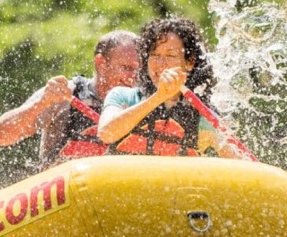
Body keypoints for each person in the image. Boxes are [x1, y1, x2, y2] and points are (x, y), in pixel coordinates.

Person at [0, 30, 139, 168]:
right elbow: (0, 135)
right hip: (65, 191)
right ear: (101, 64)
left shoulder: (144, 102)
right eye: (126, 68)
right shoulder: (66, 95)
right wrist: (41, 103)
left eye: (140, 70)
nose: (134, 77)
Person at [97, 17, 238, 158]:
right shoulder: (123, 96)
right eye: (155, 54)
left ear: (189, 63)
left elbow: (239, 162)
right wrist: (159, 97)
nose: (160, 63)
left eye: (170, 55)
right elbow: (106, 134)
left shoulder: (203, 114)